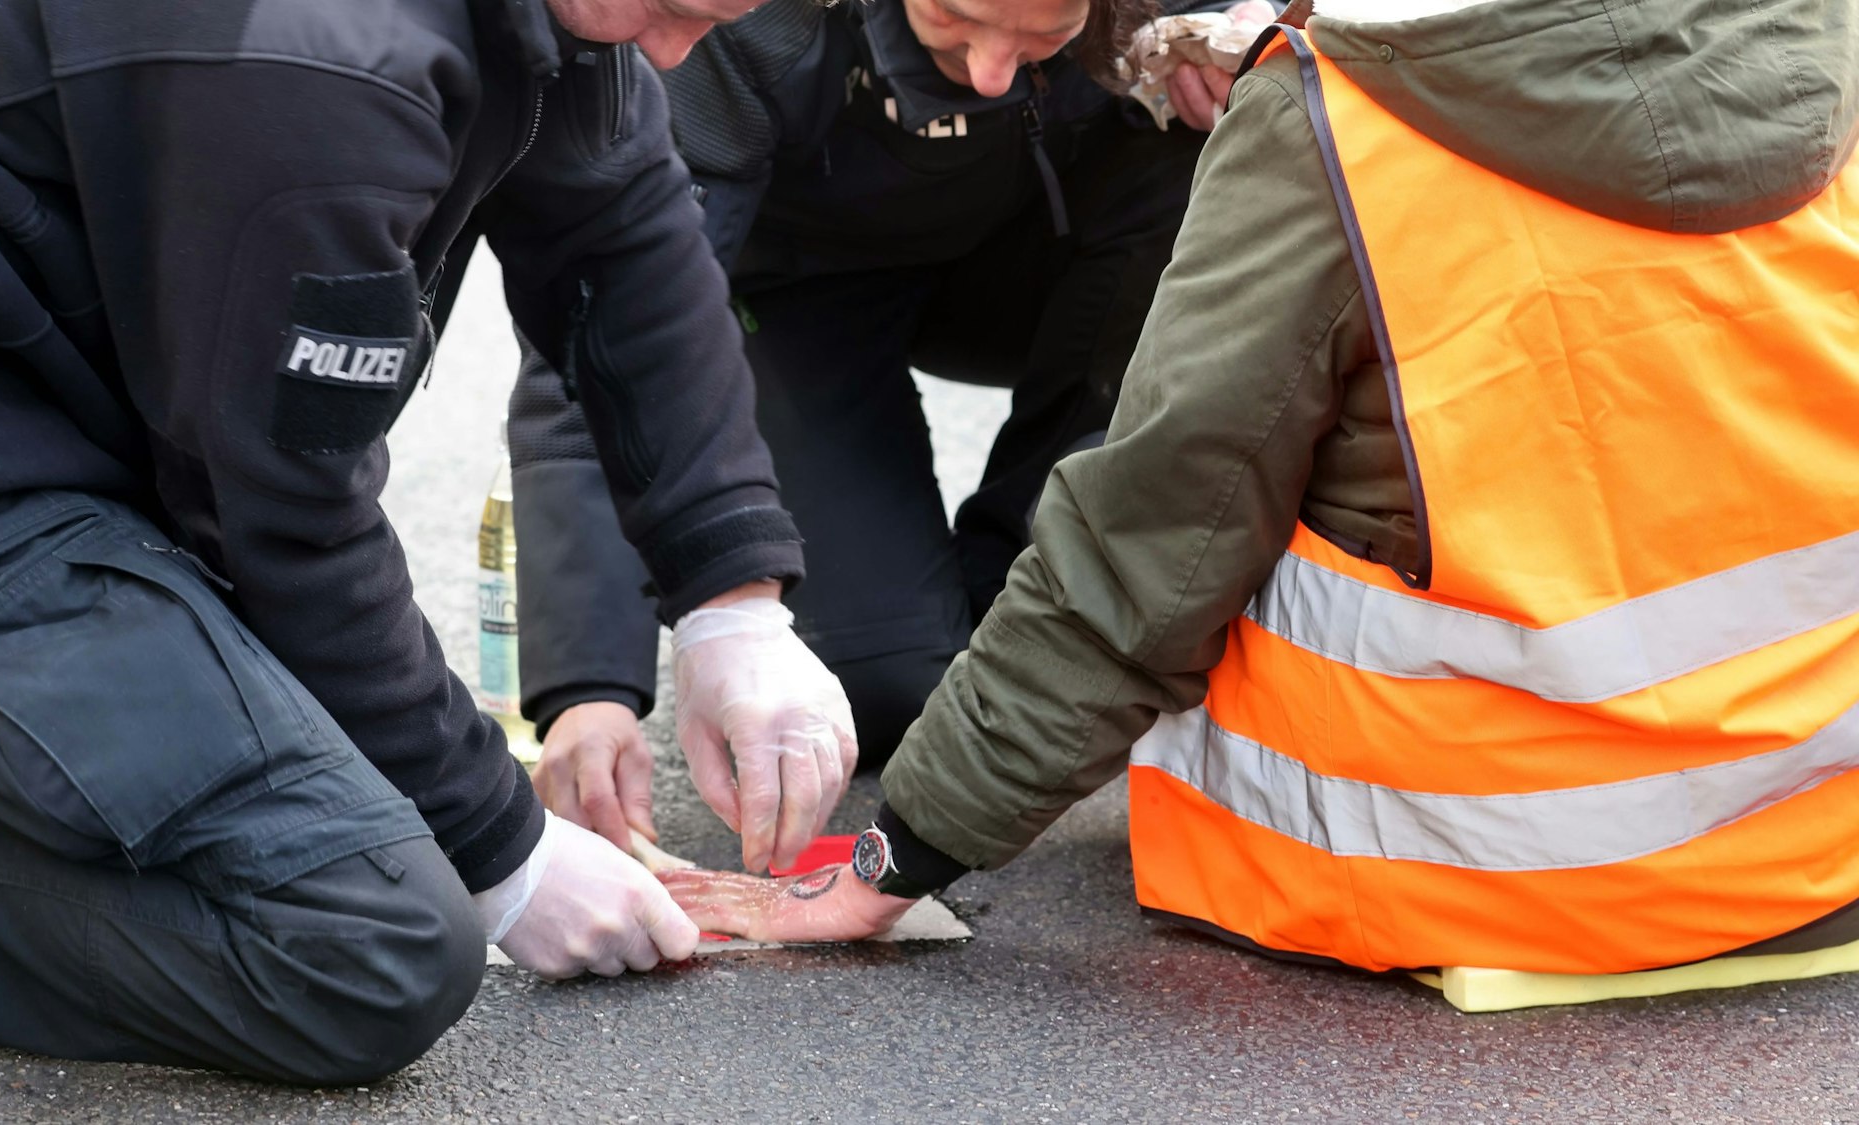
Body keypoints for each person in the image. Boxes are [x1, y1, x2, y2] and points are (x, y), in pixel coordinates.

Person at [664, 0, 1859, 979]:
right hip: (1807, 849)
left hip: (1479, 881)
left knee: (1236, 479)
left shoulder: (1340, 120)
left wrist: (902, 851)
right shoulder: (1816, 51)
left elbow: (1151, 541)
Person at [0, 0, 857, 1087]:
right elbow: (281, 516)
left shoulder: (565, 16)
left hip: (54, 408)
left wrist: (731, 598)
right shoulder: (320, 56)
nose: (674, 50)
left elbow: (623, 225)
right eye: (673, 10)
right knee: (370, 949)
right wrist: (499, 843)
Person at [513, 0, 1275, 850]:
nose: (991, 68)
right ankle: (919, 614)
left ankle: (1028, 588)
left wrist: (1264, 37)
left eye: (1037, 36)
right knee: (890, 696)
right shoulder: (747, 22)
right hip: (798, 287)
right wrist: (589, 689)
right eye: (957, 15)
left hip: (1040, 258)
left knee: (1241, 126)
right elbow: (614, 330)